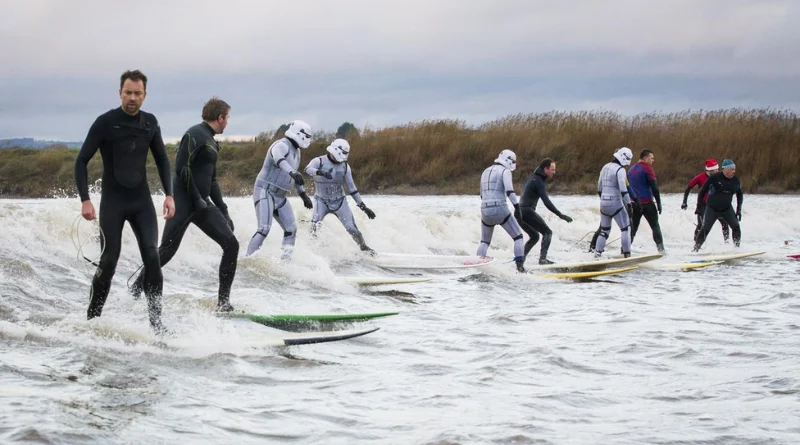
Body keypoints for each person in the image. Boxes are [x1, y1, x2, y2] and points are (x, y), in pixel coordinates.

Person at [74, 69, 175, 333]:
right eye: (127, 92)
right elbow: (81, 160)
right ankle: (92, 323)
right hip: (113, 202)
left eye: (137, 93)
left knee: (152, 257)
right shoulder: (105, 122)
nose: (132, 98)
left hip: (141, 202)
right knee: (109, 260)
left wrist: (169, 194)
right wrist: (85, 200)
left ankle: (157, 326)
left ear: (145, 95)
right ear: (120, 92)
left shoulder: (150, 123)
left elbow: (163, 159)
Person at [129, 97, 238, 312]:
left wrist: (223, 209)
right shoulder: (195, 134)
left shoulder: (212, 140)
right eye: (227, 118)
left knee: (231, 245)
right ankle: (135, 290)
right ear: (220, 117)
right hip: (185, 203)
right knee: (166, 252)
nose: (227, 122)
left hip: (202, 205)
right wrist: (196, 199)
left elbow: (212, 180)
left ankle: (223, 303)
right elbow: (181, 168)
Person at [246, 120, 314, 259]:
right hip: (265, 191)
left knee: (291, 229)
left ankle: (286, 263)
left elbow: (295, 174)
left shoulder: (297, 151)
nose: (308, 140)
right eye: (306, 136)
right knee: (264, 228)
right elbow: (279, 159)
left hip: (280, 196)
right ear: (299, 134)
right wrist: (292, 172)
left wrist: (302, 194)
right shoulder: (281, 145)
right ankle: (247, 260)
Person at [304, 138, 377, 254]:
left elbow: (352, 188)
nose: (339, 161)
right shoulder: (319, 161)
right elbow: (307, 169)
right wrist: (320, 172)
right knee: (314, 226)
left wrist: (363, 207)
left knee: (352, 229)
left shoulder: (345, 166)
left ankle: (363, 247)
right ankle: (313, 251)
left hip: (340, 202)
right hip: (321, 202)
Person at [476, 149, 526, 272]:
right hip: (500, 208)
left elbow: (482, 195)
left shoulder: (485, 171)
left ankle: (477, 265)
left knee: (484, 241)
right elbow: (510, 191)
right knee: (518, 237)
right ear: (509, 161)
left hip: (484, 209)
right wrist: (517, 206)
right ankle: (520, 268)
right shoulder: (505, 171)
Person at [515, 158, 573, 265]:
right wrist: (560, 215)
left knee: (535, 236)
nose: (554, 172)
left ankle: (520, 261)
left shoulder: (531, 178)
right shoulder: (538, 181)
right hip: (527, 211)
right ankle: (542, 260)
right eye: (552, 169)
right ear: (545, 169)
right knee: (547, 232)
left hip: (519, 213)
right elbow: (546, 202)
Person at [693, 159, 743, 251]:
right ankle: (695, 249)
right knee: (705, 229)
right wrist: (699, 206)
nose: (734, 171)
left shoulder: (735, 180)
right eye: (732, 169)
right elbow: (702, 191)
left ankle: (736, 249)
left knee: (736, 227)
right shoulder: (715, 178)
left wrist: (738, 209)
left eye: (734, 169)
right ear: (725, 169)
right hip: (712, 208)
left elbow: (740, 194)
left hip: (727, 209)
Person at [593, 147, 634, 258]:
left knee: (604, 231)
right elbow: (623, 190)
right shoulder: (620, 170)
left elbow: (599, 187)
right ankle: (627, 254)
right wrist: (629, 205)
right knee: (626, 228)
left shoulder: (605, 167)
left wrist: (603, 200)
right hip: (616, 203)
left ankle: (597, 254)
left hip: (603, 203)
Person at [681, 158, 730, 242]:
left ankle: (727, 243)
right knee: (701, 225)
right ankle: (696, 244)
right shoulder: (700, 177)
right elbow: (688, 188)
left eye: (718, 169)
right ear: (710, 170)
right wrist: (684, 202)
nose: (718, 171)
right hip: (703, 205)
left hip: (717, 205)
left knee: (725, 224)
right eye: (716, 170)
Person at [627, 149, 665, 253]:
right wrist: (659, 203)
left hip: (634, 204)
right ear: (645, 158)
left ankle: (625, 251)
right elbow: (654, 187)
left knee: (632, 229)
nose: (653, 160)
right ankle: (661, 251)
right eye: (651, 158)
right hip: (647, 203)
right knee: (655, 226)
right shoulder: (648, 168)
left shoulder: (631, 169)